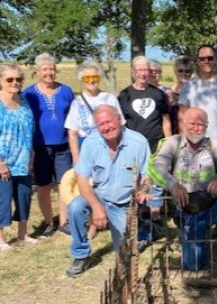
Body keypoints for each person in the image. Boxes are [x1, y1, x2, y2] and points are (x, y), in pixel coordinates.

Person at [149, 107, 217, 283]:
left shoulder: (214, 145)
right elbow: (155, 167)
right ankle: (188, 232)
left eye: (200, 124)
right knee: (193, 264)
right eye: (192, 123)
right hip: (187, 205)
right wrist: (173, 185)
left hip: (212, 201)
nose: (196, 128)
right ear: (183, 124)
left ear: (207, 126)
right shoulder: (171, 143)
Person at [65, 105, 150, 277]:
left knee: (125, 256)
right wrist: (96, 208)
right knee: (75, 207)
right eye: (101, 124)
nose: (106, 127)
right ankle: (81, 255)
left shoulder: (139, 142)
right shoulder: (91, 142)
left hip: (123, 203)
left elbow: (147, 176)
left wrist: (144, 189)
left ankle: (137, 237)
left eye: (109, 122)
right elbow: (82, 179)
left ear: (119, 119)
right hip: (99, 195)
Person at [64, 61, 126, 237]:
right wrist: (76, 158)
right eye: (87, 77)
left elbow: (121, 124)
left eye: (94, 77)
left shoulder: (109, 99)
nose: (91, 81)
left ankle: (109, 217)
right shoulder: (77, 102)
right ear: (81, 80)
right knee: (88, 185)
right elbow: (73, 133)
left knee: (107, 182)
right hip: (86, 146)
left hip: (108, 144)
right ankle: (92, 223)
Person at [0, 64, 36, 250]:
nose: (14, 83)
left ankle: (23, 233)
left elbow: (30, 130)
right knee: (2, 199)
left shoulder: (25, 101)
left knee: (24, 196)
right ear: (0, 81)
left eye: (18, 79)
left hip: (22, 159)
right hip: (1, 162)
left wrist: (31, 155)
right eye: (9, 79)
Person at [118, 56, 171, 250]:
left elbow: (165, 120)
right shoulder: (124, 95)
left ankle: (155, 223)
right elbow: (121, 124)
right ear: (133, 71)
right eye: (139, 70)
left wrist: (169, 144)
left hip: (157, 147)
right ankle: (140, 228)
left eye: (146, 70)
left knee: (156, 187)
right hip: (134, 151)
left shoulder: (158, 94)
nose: (143, 73)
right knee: (139, 188)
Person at [23, 53, 74, 237]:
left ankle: (64, 222)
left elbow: (74, 117)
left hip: (63, 145)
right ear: (37, 71)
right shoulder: (29, 93)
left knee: (64, 184)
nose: (49, 72)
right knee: (43, 185)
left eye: (52, 69)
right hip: (40, 147)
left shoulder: (66, 91)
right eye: (45, 69)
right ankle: (49, 222)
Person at [179, 44, 217, 151]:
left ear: (215, 60)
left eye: (210, 58)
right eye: (202, 59)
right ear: (197, 61)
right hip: (195, 142)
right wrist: (183, 141)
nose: (206, 61)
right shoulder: (188, 86)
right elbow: (182, 116)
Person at [165, 55, 194, 134]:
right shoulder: (167, 93)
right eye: (180, 70)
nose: (184, 73)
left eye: (187, 71)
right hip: (173, 134)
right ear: (175, 71)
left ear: (191, 73)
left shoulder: (196, 92)